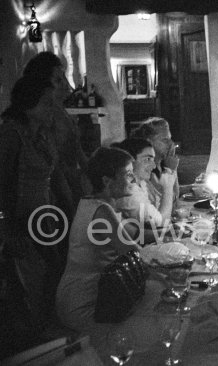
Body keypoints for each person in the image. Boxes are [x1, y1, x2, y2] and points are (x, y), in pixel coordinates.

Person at [0, 77, 64, 329]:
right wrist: (6, 229)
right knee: (33, 282)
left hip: (44, 218)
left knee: (51, 275)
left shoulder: (42, 134)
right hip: (20, 220)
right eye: (47, 103)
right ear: (27, 105)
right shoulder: (10, 134)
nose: (53, 108)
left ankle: (45, 332)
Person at [56, 147, 141, 331]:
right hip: (85, 303)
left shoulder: (92, 202)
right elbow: (135, 255)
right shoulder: (101, 211)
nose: (134, 179)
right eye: (128, 174)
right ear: (107, 181)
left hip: (91, 296)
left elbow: (132, 234)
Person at [23, 51, 89, 209]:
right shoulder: (43, 117)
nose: (66, 85)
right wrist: (68, 199)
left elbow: (77, 152)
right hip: (55, 195)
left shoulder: (61, 112)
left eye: (63, 78)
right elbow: (55, 164)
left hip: (73, 185)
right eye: (58, 80)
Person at [113, 138, 177, 227]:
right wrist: (168, 188)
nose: (154, 166)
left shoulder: (140, 183)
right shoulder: (128, 191)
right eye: (147, 159)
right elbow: (161, 223)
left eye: (153, 160)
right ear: (130, 161)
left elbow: (161, 212)